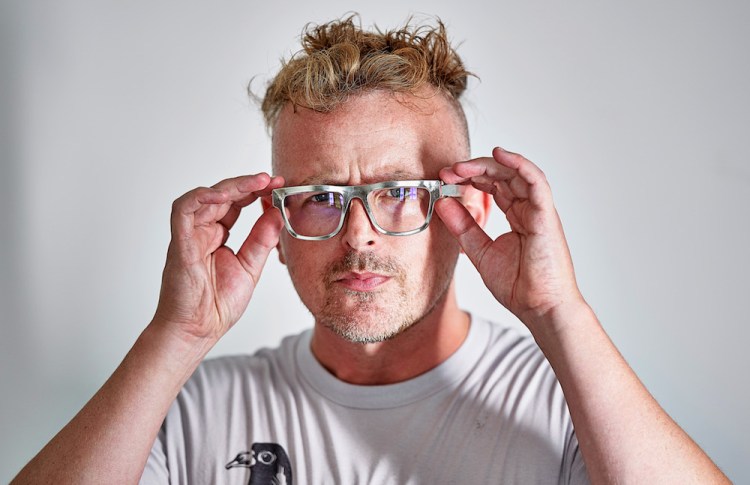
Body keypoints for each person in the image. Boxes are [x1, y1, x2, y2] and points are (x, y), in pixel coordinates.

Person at [12, 16, 728, 484]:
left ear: (472, 209)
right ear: (276, 226)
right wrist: (176, 336)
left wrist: (559, 312)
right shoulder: (197, 406)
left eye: (400, 192)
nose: (358, 235)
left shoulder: (567, 401)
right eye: (321, 196)